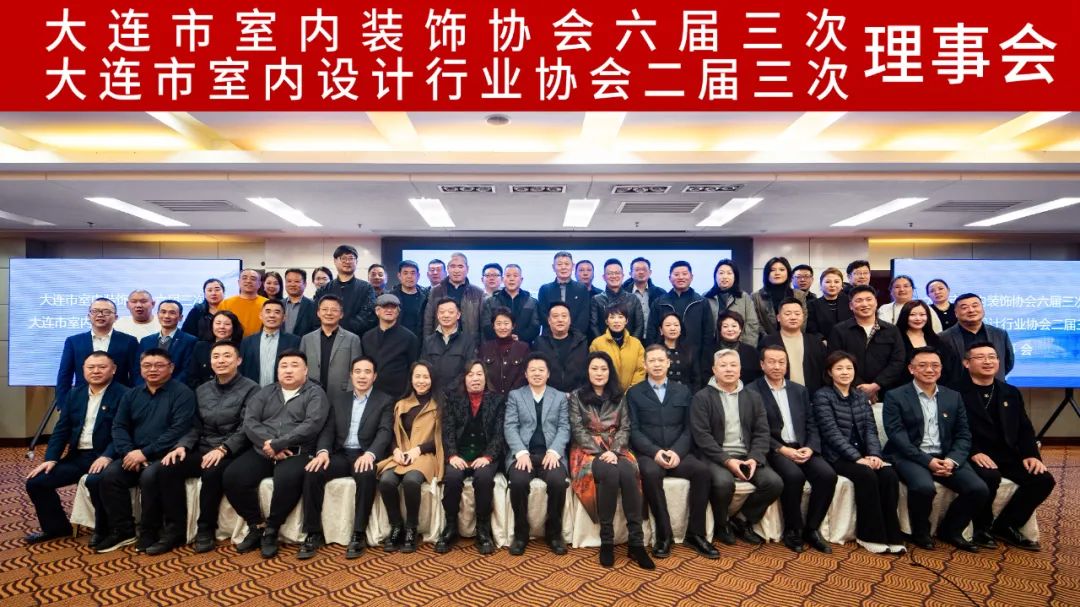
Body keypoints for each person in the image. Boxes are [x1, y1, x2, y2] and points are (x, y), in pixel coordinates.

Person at [223, 349, 330, 558]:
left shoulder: (315, 393)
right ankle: (256, 525)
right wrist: (270, 444)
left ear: (306, 370)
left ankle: (272, 530)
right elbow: (250, 421)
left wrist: (280, 443)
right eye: (283, 366)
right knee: (233, 476)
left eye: (294, 366)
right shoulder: (266, 392)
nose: (288, 370)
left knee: (287, 479)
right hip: (263, 450)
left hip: (296, 452)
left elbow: (312, 424)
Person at [156, 340, 259, 554]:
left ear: (239, 360)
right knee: (168, 467)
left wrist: (223, 449)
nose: (221, 360)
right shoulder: (202, 390)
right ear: (210, 362)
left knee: (212, 472)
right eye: (216, 356)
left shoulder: (252, 388)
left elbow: (247, 427)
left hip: (233, 450)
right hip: (203, 446)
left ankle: (205, 529)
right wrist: (183, 446)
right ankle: (175, 529)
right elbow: (194, 425)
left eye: (227, 356)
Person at [883, 347, 988, 552]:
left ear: (941, 368)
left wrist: (952, 460)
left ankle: (951, 530)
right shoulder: (895, 396)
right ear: (911, 369)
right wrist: (928, 461)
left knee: (978, 489)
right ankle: (920, 532)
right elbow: (898, 437)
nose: (929, 370)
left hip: (945, 455)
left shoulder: (953, 396)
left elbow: (963, 434)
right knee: (923, 488)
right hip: (909, 455)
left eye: (935, 365)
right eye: (922, 365)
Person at [92, 348, 196, 553]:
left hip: (166, 454)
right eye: (147, 365)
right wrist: (129, 453)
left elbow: (178, 430)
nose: (152, 369)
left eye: (159, 365)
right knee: (110, 475)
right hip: (133, 454)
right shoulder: (132, 394)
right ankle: (123, 530)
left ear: (171, 368)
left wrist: (145, 453)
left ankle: (151, 532)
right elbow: (119, 426)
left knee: (150, 476)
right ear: (140, 369)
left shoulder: (183, 393)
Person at [959, 342, 1054, 551]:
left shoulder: (1010, 391)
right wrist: (974, 452)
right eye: (980, 357)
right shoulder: (955, 392)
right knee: (989, 477)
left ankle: (1006, 525)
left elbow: (1024, 428)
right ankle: (981, 528)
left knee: (1043, 479)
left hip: (1008, 453)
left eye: (992, 357)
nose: (987, 361)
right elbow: (952, 430)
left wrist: (1031, 454)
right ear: (966, 363)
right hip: (973, 453)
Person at [25, 353, 128, 545]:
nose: (96, 371)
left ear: (113, 369)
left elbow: (123, 432)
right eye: (91, 367)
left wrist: (107, 456)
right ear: (83, 370)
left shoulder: (125, 395)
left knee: (96, 481)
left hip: (107, 456)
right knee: (36, 482)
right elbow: (61, 430)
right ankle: (56, 528)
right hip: (78, 456)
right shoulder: (75, 394)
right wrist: (51, 458)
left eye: (102, 367)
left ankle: (105, 529)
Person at [626, 345, 718, 559]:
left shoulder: (683, 391)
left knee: (702, 471)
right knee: (650, 473)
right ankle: (664, 535)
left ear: (668, 363)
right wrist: (655, 452)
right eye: (652, 361)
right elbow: (634, 430)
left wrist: (677, 451)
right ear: (644, 365)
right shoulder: (634, 393)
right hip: (650, 455)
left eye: (661, 360)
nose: (657, 364)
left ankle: (696, 534)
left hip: (679, 452)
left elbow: (689, 428)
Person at [299, 356, 395, 559]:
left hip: (365, 453)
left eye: (367, 372)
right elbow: (328, 430)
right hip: (341, 454)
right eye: (357, 371)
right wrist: (323, 452)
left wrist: (370, 454)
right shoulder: (339, 399)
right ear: (351, 375)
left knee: (367, 475)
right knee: (313, 471)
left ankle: (358, 533)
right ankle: (312, 533)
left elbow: (385, 432)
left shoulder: (385, 400)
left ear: (375, 376)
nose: (362, 376)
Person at [568, 352, 654, 569]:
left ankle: (636, 542)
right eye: (594, 368)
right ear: (587, 371)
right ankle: (607, 540)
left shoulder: (619, 395)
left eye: (604, 369)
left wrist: (614, 450)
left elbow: (625, 427)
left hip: (617, 447)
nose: (599, 373)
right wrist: (599, 452)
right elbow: (577, 429)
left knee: (629, 472)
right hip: (587, 451)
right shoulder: (577, 396)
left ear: (610, 372)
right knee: (610, 473)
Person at [814, 351, 904, 554]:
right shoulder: (822, 396)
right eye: (839, 368)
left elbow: (870, 429)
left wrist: (874, 455)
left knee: (889, 475)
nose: (845, 372)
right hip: (836, 456)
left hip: (864, 454)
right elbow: (831, 433)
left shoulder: (861, 396)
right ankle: (869, 535)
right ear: (830, 372)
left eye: (849, 368)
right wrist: (856, 458)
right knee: (866, 475)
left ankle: (893, 535)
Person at [748, 346, 836, 554]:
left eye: (781, 362)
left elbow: (812, 423)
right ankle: (793, 529)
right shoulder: (752, 391)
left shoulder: (799, 390)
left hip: (803, 446)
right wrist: (781, 449)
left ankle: (812, 529)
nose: (777, 366)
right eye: (771, 362)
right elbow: (754, 430)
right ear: (762, 365)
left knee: (827, 475)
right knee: (794, 476)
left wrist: (810, 447)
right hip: (775, 448)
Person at [691, 349, 783, 547]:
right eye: (723, 365)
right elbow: (702, 436)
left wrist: (754, 458)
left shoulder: (753, 397)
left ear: (740, 369)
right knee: (723, 483)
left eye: (733, 365)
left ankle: (742, 520)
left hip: (747, 454)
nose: (729, 369)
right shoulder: (702, 397)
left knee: (774, 483)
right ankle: (722, 524)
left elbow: (762, 432)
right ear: (714, 369)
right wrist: (727, 460)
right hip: (716, 456)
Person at [435, 361, 506, 555]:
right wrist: (452, 455)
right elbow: (447, 430)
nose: (475, 378)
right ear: (464, 378)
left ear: (485, 377)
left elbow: (499, 434)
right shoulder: (453, 399)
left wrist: (488, 456)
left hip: (485, 455)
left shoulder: (497, 400)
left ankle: (483, 528)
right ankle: (450, 527)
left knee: (483, 478)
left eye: (479, 374)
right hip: (459, 454)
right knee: (452, 478)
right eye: (471, 374)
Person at [504, 353, 571, 556]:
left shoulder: (559, 397)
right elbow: (510, 426)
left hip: (550, 454)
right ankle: (521, 534)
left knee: (558, 482)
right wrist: (520, 452)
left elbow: (564, 427)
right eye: (532, 370)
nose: (537, 373)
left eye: (541, 370)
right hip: (524, 453)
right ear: (525, 374)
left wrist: (555, 451)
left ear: (548, 373)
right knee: (518, 482)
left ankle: (554, 534)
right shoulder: (516, 396)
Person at [377, 361, 445, 554]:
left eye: (426, 377)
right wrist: (396, 450)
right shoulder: (401, 404)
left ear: (432, 379)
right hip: (402, 455)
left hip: (426, 455)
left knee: (411, 481)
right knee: (386, 481)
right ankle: (396, 526)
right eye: (417, 376)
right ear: (411, 379)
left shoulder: (439, 405)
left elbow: (441, 438)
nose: (421, 381)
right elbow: (393, 434)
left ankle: (411, 528)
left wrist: (419, 449)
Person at [827, 285, 906, 403]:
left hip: (886, 392)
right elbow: (835, 360)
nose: (864, 304)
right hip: (849, 391)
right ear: (851, 306)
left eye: (869, 299)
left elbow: (898, 361)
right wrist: (862, 388)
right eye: (859, 300)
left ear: (876, 303)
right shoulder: (839, 330)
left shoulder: (891, 330)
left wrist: (876, 385)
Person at [55, 297, 138, 407]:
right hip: (81, 400)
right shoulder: (74, 341)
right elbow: (64, 375)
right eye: (95, 311)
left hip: (119, 401)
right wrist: (62, 404)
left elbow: (135, 374)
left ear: (116, 317)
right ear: (88, 316)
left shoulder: (129, 341)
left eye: (106, 312)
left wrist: (134, 403)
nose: (100, 315)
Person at [648, 261, 715, 376]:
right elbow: (651, 333)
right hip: (664, 359)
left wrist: (704, 364)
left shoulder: (701, 302)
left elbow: (708, 335)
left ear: (691, 277)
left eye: (684, 274)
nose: (681, 277)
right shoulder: (659, 303)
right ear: (670, 278)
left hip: (694, 360)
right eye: (676, 274)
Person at [939, 293, 1015, 383]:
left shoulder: (1000, 334)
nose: (971, 310)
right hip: (957, 389)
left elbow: (1008, 363)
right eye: (964, 307)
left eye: (975, 306)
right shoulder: (943, 338)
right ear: (956, 313)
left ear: (982, 309)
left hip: (994, 388)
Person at [759, 298, 827, 395]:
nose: (793, 317)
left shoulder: (815, 342)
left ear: (803, 316)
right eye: (788, 314)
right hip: (778, 395)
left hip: (812, 396)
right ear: (778, 317)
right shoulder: (768, 342)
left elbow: (824, 371)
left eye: (797, 314)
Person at [300, 294, 363, 393]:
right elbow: (301, 368)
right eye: (325, 309)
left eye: (334, 310)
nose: (329, 313)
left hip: (342, 393)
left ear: (341, 314)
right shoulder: (306, 339)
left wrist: (350, 392)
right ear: (318, 313)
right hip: (311, 393)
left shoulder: (353, 339)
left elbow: (357, 369)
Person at [361, 294, 420, 399]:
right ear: (377, 311)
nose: (389, 310)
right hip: (371, 394)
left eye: (393, 307)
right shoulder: (367, 337)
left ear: (398, 312)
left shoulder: (409, 338)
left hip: (399, 395)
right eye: (385, 307)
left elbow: (413, 368)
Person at [314, 245, 378, 337]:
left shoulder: (366, 288)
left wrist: (343, 332)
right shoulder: (324, 289)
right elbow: (316, 316)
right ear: (335, 261)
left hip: (356, 338)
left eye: (351, 258)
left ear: (356, 262)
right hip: (327, 337)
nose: (347, 262)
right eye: (343, 258)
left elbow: (368, 316)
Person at [424, 252, 485, 343]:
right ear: (448, 269)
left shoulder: (478, 292)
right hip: (441, 342)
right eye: (452, 266)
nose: (456, 270)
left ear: (467, 269)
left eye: (460, 266)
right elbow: (428, 322)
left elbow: (483, 324)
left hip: (470, 344)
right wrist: (427, 344)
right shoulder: (436, 291)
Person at [240, 300, 301, 386]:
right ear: (261, 316)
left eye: (277, 312)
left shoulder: (294, 341)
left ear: (284, 317)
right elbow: (241, 370)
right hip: (253, 391)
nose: (272, 315)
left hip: (282, 390)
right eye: (268, 312)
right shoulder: (247, 342)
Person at [422, 297, 478, 391]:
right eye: (442, 312)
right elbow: (424, 368)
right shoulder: (429, 341)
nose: (446, 315)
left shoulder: (468, 341)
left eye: (451, 312)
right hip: (434, 392)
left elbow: (469, 369)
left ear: (458, 315)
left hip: (459, 393)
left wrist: (452, 388)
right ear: (437, 315)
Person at [896, 300, 956, 387]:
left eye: (922, 315)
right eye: (912, 315)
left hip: (936, 387)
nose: (918, 318)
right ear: (905, 316)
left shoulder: (937, 340)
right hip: (903, 387)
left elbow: (947, 367)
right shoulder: (896, 339)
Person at [532, 302, 589, 393]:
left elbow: (586, 372)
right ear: (549, 321)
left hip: (578, 395)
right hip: (548, 395)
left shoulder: (582, 342)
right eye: (555, 316)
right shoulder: (539, 343)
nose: (560, 320)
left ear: (570, 320)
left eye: (564, 316)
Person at [138, 299, 197, 386]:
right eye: (163, 312)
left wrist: (168, 388)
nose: (166, 316)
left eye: (172, 313)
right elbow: (138, 368)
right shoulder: (146, 341)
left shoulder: (190, 340)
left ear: (180, 317)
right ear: (158, 315)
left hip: (176, 389)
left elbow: (187, 370)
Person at [589, 303, 646, 393]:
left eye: (620, 317)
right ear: (606, 321)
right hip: (605, 394)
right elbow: (593, 370)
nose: (616, 321)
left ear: (626, 320)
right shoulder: (597, 344)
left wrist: (631, 392)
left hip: (632, 395)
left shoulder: (636, 344)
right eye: (612, 317)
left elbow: (641, 370)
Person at [703, 259, 759, 347]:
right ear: (715, 276)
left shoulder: (744, 297)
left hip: (739, 347)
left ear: (735, 277)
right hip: (713, 347)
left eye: (729, 273)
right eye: (721, 273)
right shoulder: (706, 297)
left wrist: (747, 349)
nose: (725, 277)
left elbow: (752, 325)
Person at [482, 263, 541, 344]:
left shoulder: (532, 302)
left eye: (515, 276)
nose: (511, 279)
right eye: (508, 276)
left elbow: (535, 326)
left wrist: (520, 337)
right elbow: (486, 325)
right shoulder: (491, 301)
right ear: (503, 279)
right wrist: (504, 338)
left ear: (521, 279)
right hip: (497, 346)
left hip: (524, 346)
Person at [537, 251, 592, 337]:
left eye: (567, 264)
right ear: (553, 267)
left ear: (572, 266)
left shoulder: (581, 289)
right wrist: (556, 334)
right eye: (559, 264)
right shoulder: (545, 289)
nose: (563, 267)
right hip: (550, 338)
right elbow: (543, 316)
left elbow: (583, 317)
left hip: (576, 338)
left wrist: (571, 336)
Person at [752, 257, 807, 339]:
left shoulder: (799, 295)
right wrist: (769, 339)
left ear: (788, 273)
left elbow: (803, 320)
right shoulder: (756, 296)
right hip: (766, 342)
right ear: (767, 274)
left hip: (794, 339)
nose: (777, 273)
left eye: (782, 270)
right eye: (772, 270)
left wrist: (792, 336)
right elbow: (756, 322)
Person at [187, 310, 244, 389]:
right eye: (218, 323)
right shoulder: (200, 347)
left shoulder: (243, 347)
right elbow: (192, 377)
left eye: (227, 324)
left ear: (234, 327)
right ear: (212, 326)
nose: (222, 327)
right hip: (204, 392)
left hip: (237, 392)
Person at [590, 258, 645, 341]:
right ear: (604, 277)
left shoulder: (633, 299)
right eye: (610, 273)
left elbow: (639, 325)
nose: (614, 276)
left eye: (617, 273)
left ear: (623, 276)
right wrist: (602, 344)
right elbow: (594, 326)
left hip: (630, 345)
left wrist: (631, 344)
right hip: (603, 346)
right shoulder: (596, 299)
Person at [480, 307, 530, 395]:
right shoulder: (485, 348)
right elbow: (482, 373)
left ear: (513, 326)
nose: (502, 327)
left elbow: (525, 375)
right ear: (493, 326)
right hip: (490, 398)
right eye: (498, 324)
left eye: (506, 323)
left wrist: (512, 395)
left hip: (517, 397)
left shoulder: (523, 348)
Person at [878, 275, 942, 333]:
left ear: (913, 289)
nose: (902, 289)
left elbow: (937, 330)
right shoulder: (884, 309)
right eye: (897, 287)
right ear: (891, 291)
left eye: (906, 286)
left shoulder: (924, 307)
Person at [714, 311, 763, 386]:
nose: (730, 329)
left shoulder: (751, 352)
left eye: (734, 326)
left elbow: (758, 376)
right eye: (725, 326)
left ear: (740, 329)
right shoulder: (710, 351)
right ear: (720, 330)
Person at [806, 267, 852, 342]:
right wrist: (822, 340)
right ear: (821, 284)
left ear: (842, 285)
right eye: (828, 282)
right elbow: (811, 328)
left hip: (848, 343)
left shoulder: (849, 302)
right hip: (823, 344)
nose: (832, 285)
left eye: (836, 282)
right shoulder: (812, 305)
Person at [218, 270, 268, 337]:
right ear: (238, 282)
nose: (248, 281)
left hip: (260, 341)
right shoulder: (225, 303)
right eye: (244, 278)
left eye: (253, 279)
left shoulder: (267, 304)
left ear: (259, 284)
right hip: (232, 342)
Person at [657, 312, 700, 389]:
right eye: (668, 325)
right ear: (661, 330)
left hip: (686, 393)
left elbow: (696, 379)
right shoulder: (655, 351)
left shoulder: (690, 351)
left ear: (680, 329)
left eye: (676, 325)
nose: (672, 328)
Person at [625, 257, 667, 331]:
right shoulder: (624, 293)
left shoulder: (660, 293)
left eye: (644, 269)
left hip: (654, 336)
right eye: (637, 270)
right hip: (630, 336)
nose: (641, 272)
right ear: (630, 274)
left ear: (650, 272)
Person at [391, 260, 430, 339]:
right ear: (399, 276)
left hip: (419, 340)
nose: (409, 276)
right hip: (397, 340)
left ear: (418, 276)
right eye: (405, 273)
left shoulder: (427, 297)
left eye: (413, 273)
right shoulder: (391, 297)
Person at [283, 268, 318, 338]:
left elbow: (316, 330)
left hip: (304, 344)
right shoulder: (279, 304)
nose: (292, 284)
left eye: (297, 281)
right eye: (289, 281)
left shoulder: (313, 306)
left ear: (305, 284)